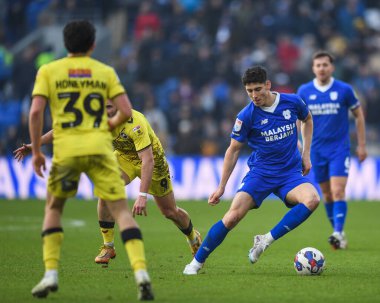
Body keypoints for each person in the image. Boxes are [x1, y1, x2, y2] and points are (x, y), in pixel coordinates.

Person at [27, 20, 153, 300]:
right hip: (98, 150)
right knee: (120, 210)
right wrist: (106, 127)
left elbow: (36, 113)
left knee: (54, 208)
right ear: (93, 45)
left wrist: (36, 151)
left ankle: (50, 275)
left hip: (67, 150)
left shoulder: (49, 71)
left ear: (64, 44)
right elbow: (124, 110)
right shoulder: (104, 72)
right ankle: (141, 275)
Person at [15, 100, 202, 266]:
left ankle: (193, 237)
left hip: (153, 162)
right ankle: (108, 246)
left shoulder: (135, 122)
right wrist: (35, 146)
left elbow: (148, 161)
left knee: (170, 212)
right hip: (124, 158)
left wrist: (142, 196)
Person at [183, 66, 320, 275]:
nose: (254, 96)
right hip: (261, 174)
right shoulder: (246, 116)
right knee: (231, 218)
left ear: (268, 85)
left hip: (290, 173)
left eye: (258, 89)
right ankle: (196, 263)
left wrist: (306, 153)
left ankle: (265, 240)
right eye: (249, 91)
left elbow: (307, 119)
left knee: (312, 199)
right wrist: (221, 187)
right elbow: (233, 150)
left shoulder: (292, 102)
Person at [297, 50, 367, 250]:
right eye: (318, 65)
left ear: (332, 67)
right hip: (316, 150)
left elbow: (359, 116)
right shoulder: (304, 91)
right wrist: (298, 142)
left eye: (325, 65)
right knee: (326, 194)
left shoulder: (344, 89)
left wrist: (361, 145)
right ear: (313, 68)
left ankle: (337, 231)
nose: (321, 68)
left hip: (339, 149)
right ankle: (339, 233)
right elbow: (297, 118)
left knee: (338, 191)